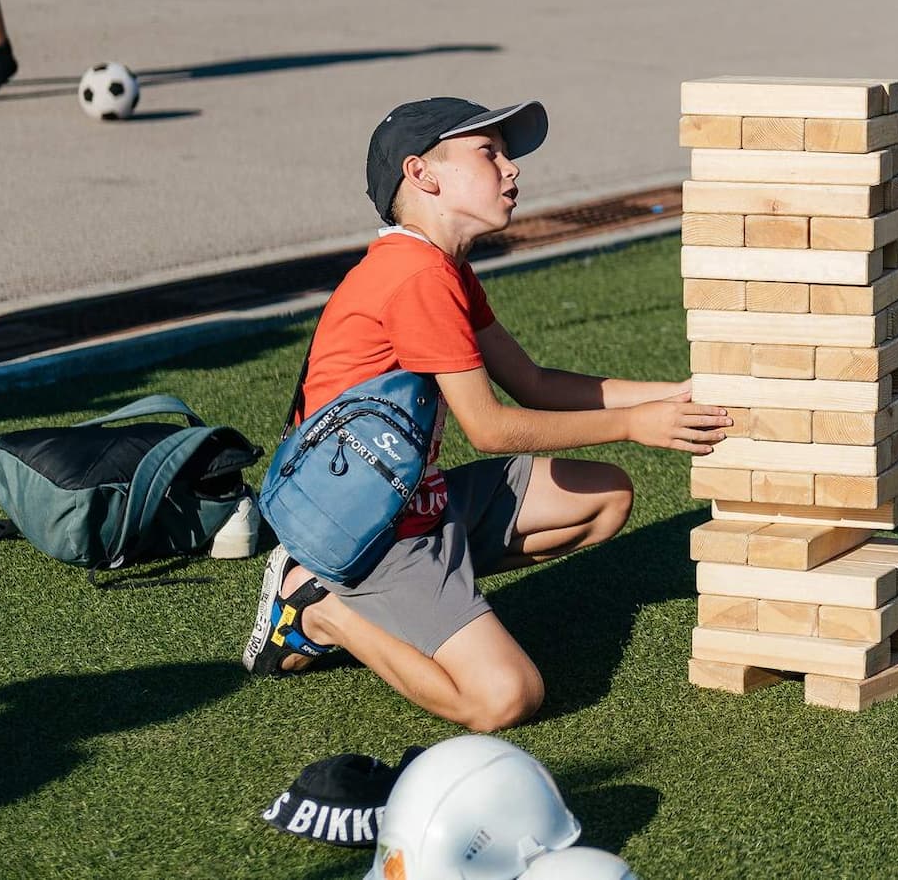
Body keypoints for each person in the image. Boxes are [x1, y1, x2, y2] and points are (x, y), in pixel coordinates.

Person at [243, 97, 732, 731]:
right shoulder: (417, 276)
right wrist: (637, 425)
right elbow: (489, 427)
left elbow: (532, 382)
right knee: (506, 698)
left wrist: (672, 396)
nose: (512, 169)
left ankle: (430, 605)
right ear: (423, 175)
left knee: (604, 496)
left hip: (416, 499)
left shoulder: (442, 266)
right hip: (367, 532)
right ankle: (319, 608)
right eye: (489, 153)